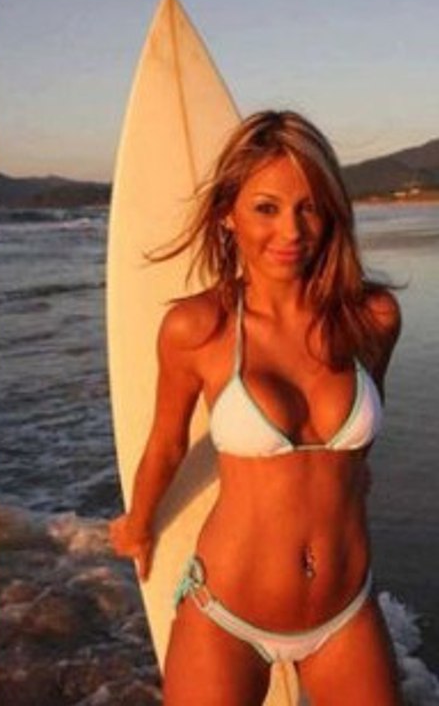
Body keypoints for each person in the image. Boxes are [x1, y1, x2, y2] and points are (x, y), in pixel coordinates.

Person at [108, 110, 403, 705]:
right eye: (266, 208)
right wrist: (138, 525)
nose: (291, 231)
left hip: (346, 613)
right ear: (228, 216)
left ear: (332, 213)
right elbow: (166, 441)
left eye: (309, 206)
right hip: (227, 617)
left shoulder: (372, 319)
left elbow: (357, 452)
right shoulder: (198, 328)